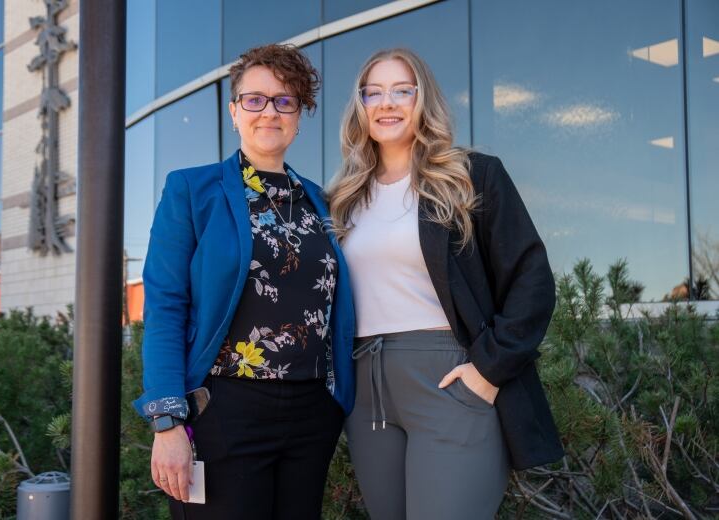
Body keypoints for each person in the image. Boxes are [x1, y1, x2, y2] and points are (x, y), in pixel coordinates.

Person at [326, 48, 564, 519]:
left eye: (401, 91)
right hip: (367, 390)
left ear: (423, 99)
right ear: (360, 106)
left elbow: (532, 279)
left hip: (448, 378)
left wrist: (487, 371)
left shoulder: (471, 176)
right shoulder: (342, 198)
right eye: (373, 93)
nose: (387, 103)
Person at [134, 43, 355, 520]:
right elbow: (166, 307)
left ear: (299, 114)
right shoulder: (192, 190)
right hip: (224, 410)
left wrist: (338, 402)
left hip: (312, 413)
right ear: (234, 111)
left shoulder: (324, 203)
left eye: (284, 100)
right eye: (254, 99)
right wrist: (167, 421)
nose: (268, 111)